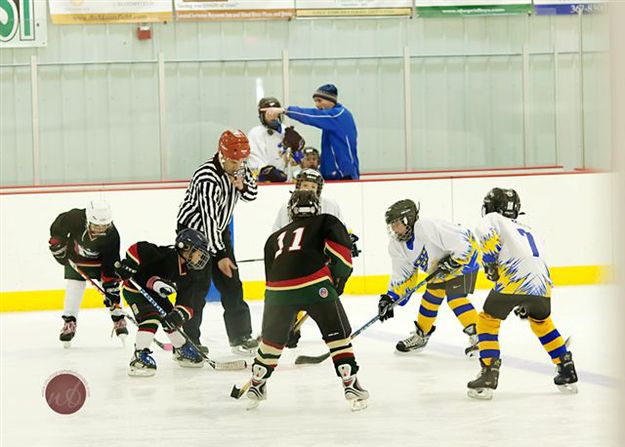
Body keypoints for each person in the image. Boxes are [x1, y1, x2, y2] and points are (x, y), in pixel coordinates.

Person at [246, 190, 368, 411]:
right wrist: (337, 283)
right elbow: (341, 257)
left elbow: (271, 281)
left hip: (277, 293)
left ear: (291, 211)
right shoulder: (326, 221)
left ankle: (257, 383)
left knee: (271, 341)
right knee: (338, 335)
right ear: (316, 207)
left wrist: (281, 322)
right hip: (315, 285)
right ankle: (350, 384)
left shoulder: (274, 238)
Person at [467, 188, 578, 399]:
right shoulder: (529, 229)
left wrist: (490, 263)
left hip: (515, 278)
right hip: (542, 284)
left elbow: (485, 234)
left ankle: (489, 372)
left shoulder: (493, 218)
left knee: (488, 320)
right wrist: (527, 297)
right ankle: (566, 367)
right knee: (542, 322)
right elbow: (536, 260)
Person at [176, 129, 259, 355]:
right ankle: (187, 342)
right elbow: (208, 218)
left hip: (218, 232)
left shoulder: (241, 168)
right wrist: (220, 255)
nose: (237, 165)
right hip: (193, 234)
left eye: (241, 161)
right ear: (221, 155)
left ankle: (240, 336)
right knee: (196, 289)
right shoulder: (207, 176)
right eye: (233, 161)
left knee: (232, 285)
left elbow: (252, 195)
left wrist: (241, 185)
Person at [377, 199, 480, 356]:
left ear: (408, 220)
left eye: (397, 224)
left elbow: (463, 243)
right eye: (391, 225)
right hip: (440, 270)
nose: (394, 229)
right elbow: (404, 276)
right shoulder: (397, 245)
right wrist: (391, 298)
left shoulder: (426, 226)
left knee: (455, 298)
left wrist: (455, 261)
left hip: (464, 262)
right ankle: (421, 336)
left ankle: (480, 336)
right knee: (430, 298)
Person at [115, 228, 211, 376]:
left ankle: (181, 349)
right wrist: (130, 265)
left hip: (156, 295)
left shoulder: (190, 274)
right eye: (198, 252)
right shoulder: (166, 255)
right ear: (184, 247)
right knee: (151, 317)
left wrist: (179, 314)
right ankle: (139, 356)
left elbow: (187, 301)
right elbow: (139, 248)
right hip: (136, 290)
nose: (201, 256)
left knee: (171, 319)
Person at [48, 199, 126, 347]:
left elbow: (111, 264)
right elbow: (58, 229)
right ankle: (69, 322)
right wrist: (57, 244)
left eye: (104, 226)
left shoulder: (113, 235)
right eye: (97, 226)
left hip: (100, 264)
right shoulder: (75, 217)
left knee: (112, 292)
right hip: (76, 261)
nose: (100, 230)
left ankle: (118, 318)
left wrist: (111, 288)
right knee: (74, 287)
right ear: (88, 221)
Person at [262, 84, 359, 180]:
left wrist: (285, 110)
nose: (317, 105)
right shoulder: (331, 120)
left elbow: (312, 115)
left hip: (344, 176)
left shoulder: (339, 115)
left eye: (319, 101)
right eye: (315, 101)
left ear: (331, 100)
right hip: (331, 176)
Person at [247, 97, 306, 183]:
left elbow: (298, 162)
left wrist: (297, 149)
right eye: (269, 114)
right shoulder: (255, 133)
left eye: (275, 113)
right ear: (262, 116)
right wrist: (268, 172)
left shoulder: (287, 131)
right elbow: (254, 158)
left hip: (287, 183)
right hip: (265, 184)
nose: (273, 116)